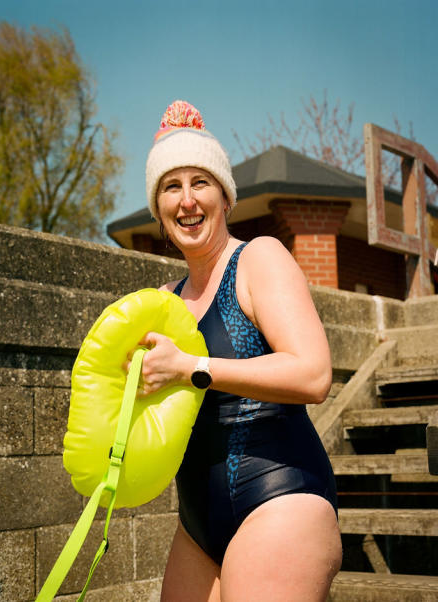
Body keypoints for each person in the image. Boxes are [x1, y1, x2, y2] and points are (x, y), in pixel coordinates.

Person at [132, 101, 341, 602]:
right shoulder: (162, 302)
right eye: (170, 186)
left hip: (279, 496)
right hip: (196, 525)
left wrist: (192, 367)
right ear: (159, 210)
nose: (187, 200)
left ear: (225, 198)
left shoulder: (259, 259)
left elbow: (313, 375)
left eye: (200, 182)